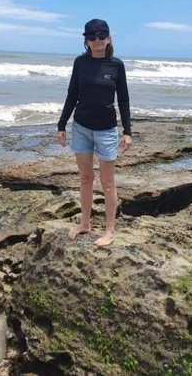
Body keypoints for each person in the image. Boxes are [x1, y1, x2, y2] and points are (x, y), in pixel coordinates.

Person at [57, 19, 132, 247]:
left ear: (108, 38)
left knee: (107, 182)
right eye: (92, 37)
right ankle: (85, 224)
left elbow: (124, 99)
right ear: (86, 41)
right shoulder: (80, 63)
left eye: (101, 36)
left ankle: (109, 230)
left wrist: (127, 131)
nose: (97, 40)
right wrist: (61, 125)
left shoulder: (116, 65)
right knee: (85, 179)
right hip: (81, 128)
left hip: (106, 130)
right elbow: (72, 94)